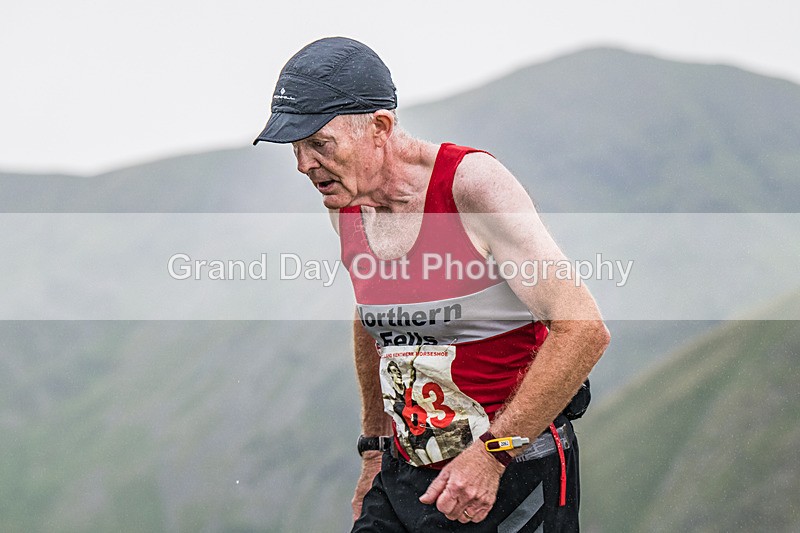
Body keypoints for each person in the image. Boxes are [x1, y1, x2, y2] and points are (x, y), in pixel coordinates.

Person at [254, 36, 610, 532]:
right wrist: (374, 451)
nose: (303, 165)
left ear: (379, 127)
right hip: (405, 470)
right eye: (296, 148)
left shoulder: (472, 187)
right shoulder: (347, 208)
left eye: (319, 144)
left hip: (510, 472)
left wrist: (491, 457)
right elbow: (371, 321)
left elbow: (584, 329)